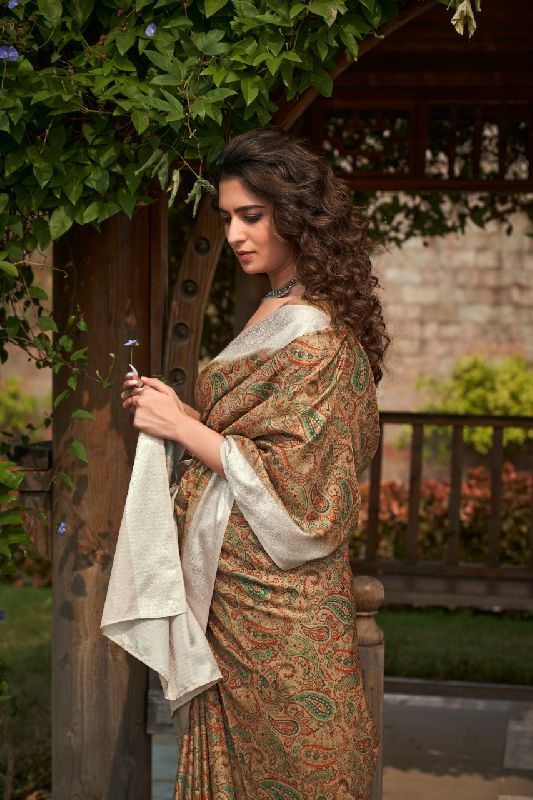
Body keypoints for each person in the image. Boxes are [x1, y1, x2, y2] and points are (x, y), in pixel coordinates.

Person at [121, 127, 390, 800]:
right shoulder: (272, 305)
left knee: (308, 768)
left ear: (295, 215)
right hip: (230, 592)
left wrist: (183, 427)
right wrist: (177, 413)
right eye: (227, 218)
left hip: (282, 601)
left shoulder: (319, 336)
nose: (235, 235)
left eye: (252, 216)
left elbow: (301, 487)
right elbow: (248, 436)